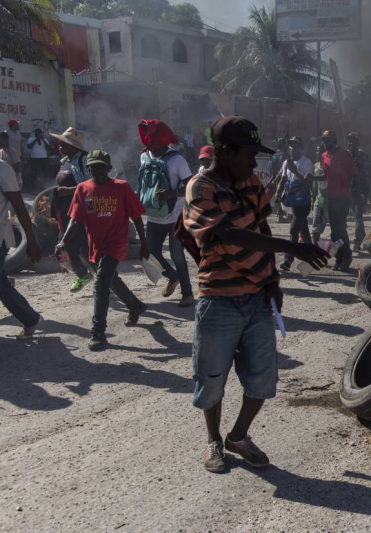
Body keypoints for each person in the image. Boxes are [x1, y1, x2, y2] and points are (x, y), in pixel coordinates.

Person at [180, 116, 328, 472]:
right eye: (249, 153)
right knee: (212, 377)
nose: (255, 161)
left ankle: (238, 436)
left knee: (262, 379)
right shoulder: (200, 188)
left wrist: (273, 280)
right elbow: (229, 234)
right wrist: (292, 247)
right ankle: (214, 441)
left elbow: (260, 225)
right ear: (225, 151)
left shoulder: (251, 184)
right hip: (218, 299)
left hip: (257, 297)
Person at [59, 150, 150, 350]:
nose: (97, 171)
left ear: (109, 168)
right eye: (93, 167)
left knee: (101, 284)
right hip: (95, 245)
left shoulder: (122, 188)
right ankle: (135, 306)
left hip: (116, 243)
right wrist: (63, 241)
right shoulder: (82, 189)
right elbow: (75, 219)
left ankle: (98, 333)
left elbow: (136, 217)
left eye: (101, 167)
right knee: (112, 280)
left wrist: (144, 244)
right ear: (88, 168)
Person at [138, 120, 195, 307]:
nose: (151, 149)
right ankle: (172, 277)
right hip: (154, 214)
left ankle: (187, 294)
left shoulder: (177, 160)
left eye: (153, 144)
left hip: (176, 215)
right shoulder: (144, 156)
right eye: (148, 145)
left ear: (163, 141)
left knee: (177, 255)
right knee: (151, 253)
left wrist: (172, 194)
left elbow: (191, 187)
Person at [0, 159, 44, 340]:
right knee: (2, 286)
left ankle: (30, 318)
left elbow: (19, 205)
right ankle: (30, 318)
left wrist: (31, 241)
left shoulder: (2, 167)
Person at [50, 127, 94, 292]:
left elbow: (91, 186)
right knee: (68, 246)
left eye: (63, 144)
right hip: (67, 210)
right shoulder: (65, 161)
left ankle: (108, 282)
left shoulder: (83, 160)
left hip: (81, 210)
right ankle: (82, 275)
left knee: (87, 246)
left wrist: (68, 191)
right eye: (60, 143)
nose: (59, 146)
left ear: (74, 146)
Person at [321, 130, 358, 271]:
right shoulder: (324, 156)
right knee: (334, 231)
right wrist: (311, 178)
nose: (324, 142)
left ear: (333, 140)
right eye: (323, 140)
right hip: (331, 197)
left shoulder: (345, 155)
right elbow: (325, 176)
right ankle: (340, 257)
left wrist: (356, 194)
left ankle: (347, 256)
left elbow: (355, 174)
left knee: (340, 229)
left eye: (326, 140)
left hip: (344, 198)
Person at [278, 136, 314, 271]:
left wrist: (295, 172)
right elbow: (282, 178)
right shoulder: (287, 161)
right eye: (290, 146)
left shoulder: (306, 163)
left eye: (295, 146)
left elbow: (309, 183)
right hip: (292, 202)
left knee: (293, 230)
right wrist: (278, 193)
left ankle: (288, 260)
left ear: (301, 148)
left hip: (303, 202)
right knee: (303, 230)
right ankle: (312, 255)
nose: (292, 149)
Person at [347, 132, 371, 252]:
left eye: (353, 141)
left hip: (362, 190)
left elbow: (370, 173)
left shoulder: (363, 156)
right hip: (350, 190)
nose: (351, 143)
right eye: (349, 141)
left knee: (358, 216)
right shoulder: (346, 156)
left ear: (358, 143)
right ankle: (364, 238)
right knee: (356, 216)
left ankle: (357, 242)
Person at [310, 143, 327, 245]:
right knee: (315, 225)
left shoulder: (329, 166)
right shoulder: (315, 166)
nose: (318, 153)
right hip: (318, 201)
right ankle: (315, 247)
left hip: (329, 202)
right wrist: (313, 199)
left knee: (323, 225)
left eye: (320, 151)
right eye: (317, 151)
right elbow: (315, 185)